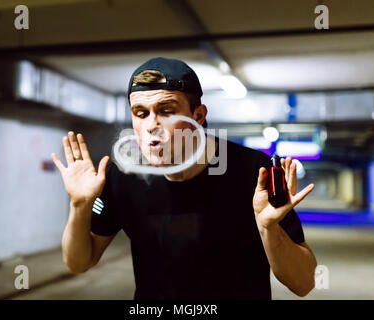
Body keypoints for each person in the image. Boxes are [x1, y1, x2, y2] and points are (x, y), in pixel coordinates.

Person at [51, 57, 317, 300]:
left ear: (198, 116)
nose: (151, 125)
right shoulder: (122, 175)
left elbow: (303, 283)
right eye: (141, 113)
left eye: (166, 110)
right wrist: (79, 206)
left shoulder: (253, 172)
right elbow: (78, 263)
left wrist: (269, 229)